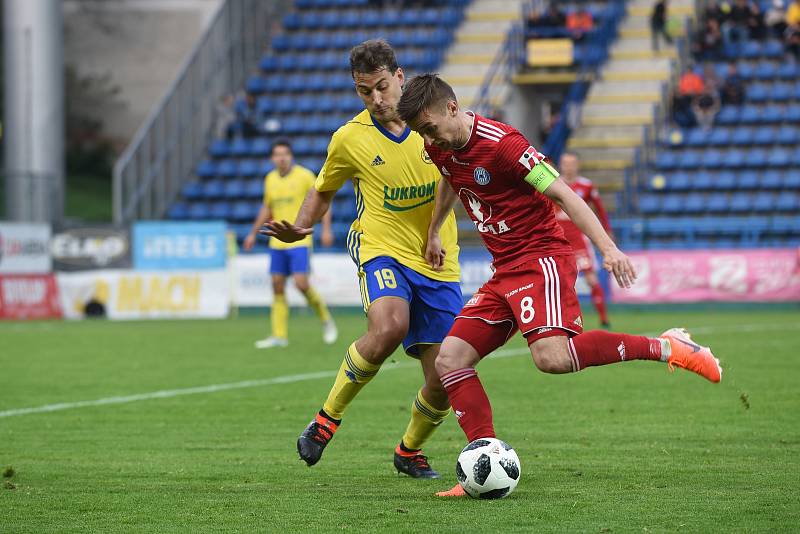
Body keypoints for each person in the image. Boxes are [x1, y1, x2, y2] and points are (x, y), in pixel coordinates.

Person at [395, 74, 722, 497]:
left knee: (551, 358)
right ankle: (483, 457)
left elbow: (566, 195)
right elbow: (449, 179)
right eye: (421, 132)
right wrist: (435, 229)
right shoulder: (437, 145)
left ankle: (667, 347)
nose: (427, 137)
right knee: (450, 359)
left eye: (429, 126)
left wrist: (607, 249)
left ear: (452, 109)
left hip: (540, 257)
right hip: (504, 269)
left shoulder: (504, 145)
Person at [262, 40, 463, 479]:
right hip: (380, 247)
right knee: (390, 326)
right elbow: (322, 188)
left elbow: (457, 176)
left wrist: (436, 232)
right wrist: (301, 225)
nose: (376, 99)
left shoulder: (433, 124)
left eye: (382, 86)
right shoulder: (350, 138)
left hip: (437, 260)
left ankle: (408, 450)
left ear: (400, 77)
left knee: (446, 373)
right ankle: (325, 420)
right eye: (364, 91)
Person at [243, 140, 337, 349]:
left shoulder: (304, 176)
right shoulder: (270, 179)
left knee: (301, 284)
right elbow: (267, 208)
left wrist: (327, 229)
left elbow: (322, 199)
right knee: (277, 285)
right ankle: (279, 335)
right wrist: (252, 233)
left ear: (291, 156)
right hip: (277, 242)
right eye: (277, 154)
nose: (282, 157)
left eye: (285, 153)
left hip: (299, 239)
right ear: (272, 158)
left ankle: (325, 319)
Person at [553, 152, 613, 328]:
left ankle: (604, 319)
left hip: (578, 237)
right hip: (556, 237)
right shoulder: (551, 183)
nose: (568, 167)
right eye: (565, 163)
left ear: (577, 165)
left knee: (591, 279)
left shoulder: (586, 186)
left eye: (572, 163)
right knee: (559, 280)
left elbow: (600, 209)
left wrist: (607, 230)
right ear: (561, 165)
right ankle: (563, 318)